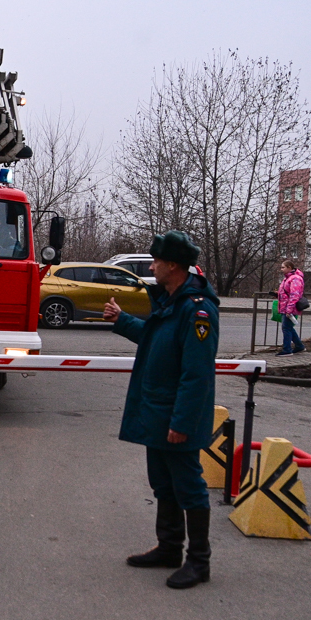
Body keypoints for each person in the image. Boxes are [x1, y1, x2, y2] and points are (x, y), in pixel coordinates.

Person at [103, 230, 219, 590]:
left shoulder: (197, 310)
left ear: (172, 265)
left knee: (189, 486)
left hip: (176, 417)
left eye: (155, 261)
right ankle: (169, 549)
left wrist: (182, 422)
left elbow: (196, 374)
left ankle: (198, 563)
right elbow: (156, 339)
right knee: (163, 484)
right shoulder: (170, 302)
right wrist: (122, 320)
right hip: (157, 413)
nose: (151, 267)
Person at [275, 259, 305, 356]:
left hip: (289, 307)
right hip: (286, 306)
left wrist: (289, 309)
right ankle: (299, 346)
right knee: (288, 327)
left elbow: (294, 295)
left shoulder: (295, 278)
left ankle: (287, 349)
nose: (281, 269)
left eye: (283, 267)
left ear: (289, 268)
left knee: (286, 328)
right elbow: (287, 292)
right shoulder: (288, 278)